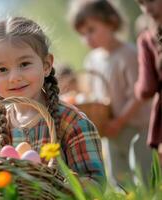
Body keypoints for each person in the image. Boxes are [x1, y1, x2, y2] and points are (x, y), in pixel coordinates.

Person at [0, 16, 106, 189]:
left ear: (46, 65)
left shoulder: (72, 122)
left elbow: (97, 185)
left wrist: (57, 186)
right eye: (2, 69)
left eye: (24, 64)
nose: (14, 77)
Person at [70, 0, 152, 184]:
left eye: (91, 30)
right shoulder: (91, 60)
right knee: (119, 178)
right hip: (110, 130)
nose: (87, 38)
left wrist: (120, 120)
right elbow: (93, 94)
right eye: (82, 34)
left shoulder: (128, 54)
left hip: (136, 127)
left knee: (145, 176)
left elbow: (139, 94)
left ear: (111, 22)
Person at [134, 0, 162, 160]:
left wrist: (137, 89)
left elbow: (147, 88)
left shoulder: (147, 39)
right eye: (141, 3)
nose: (147, 8)